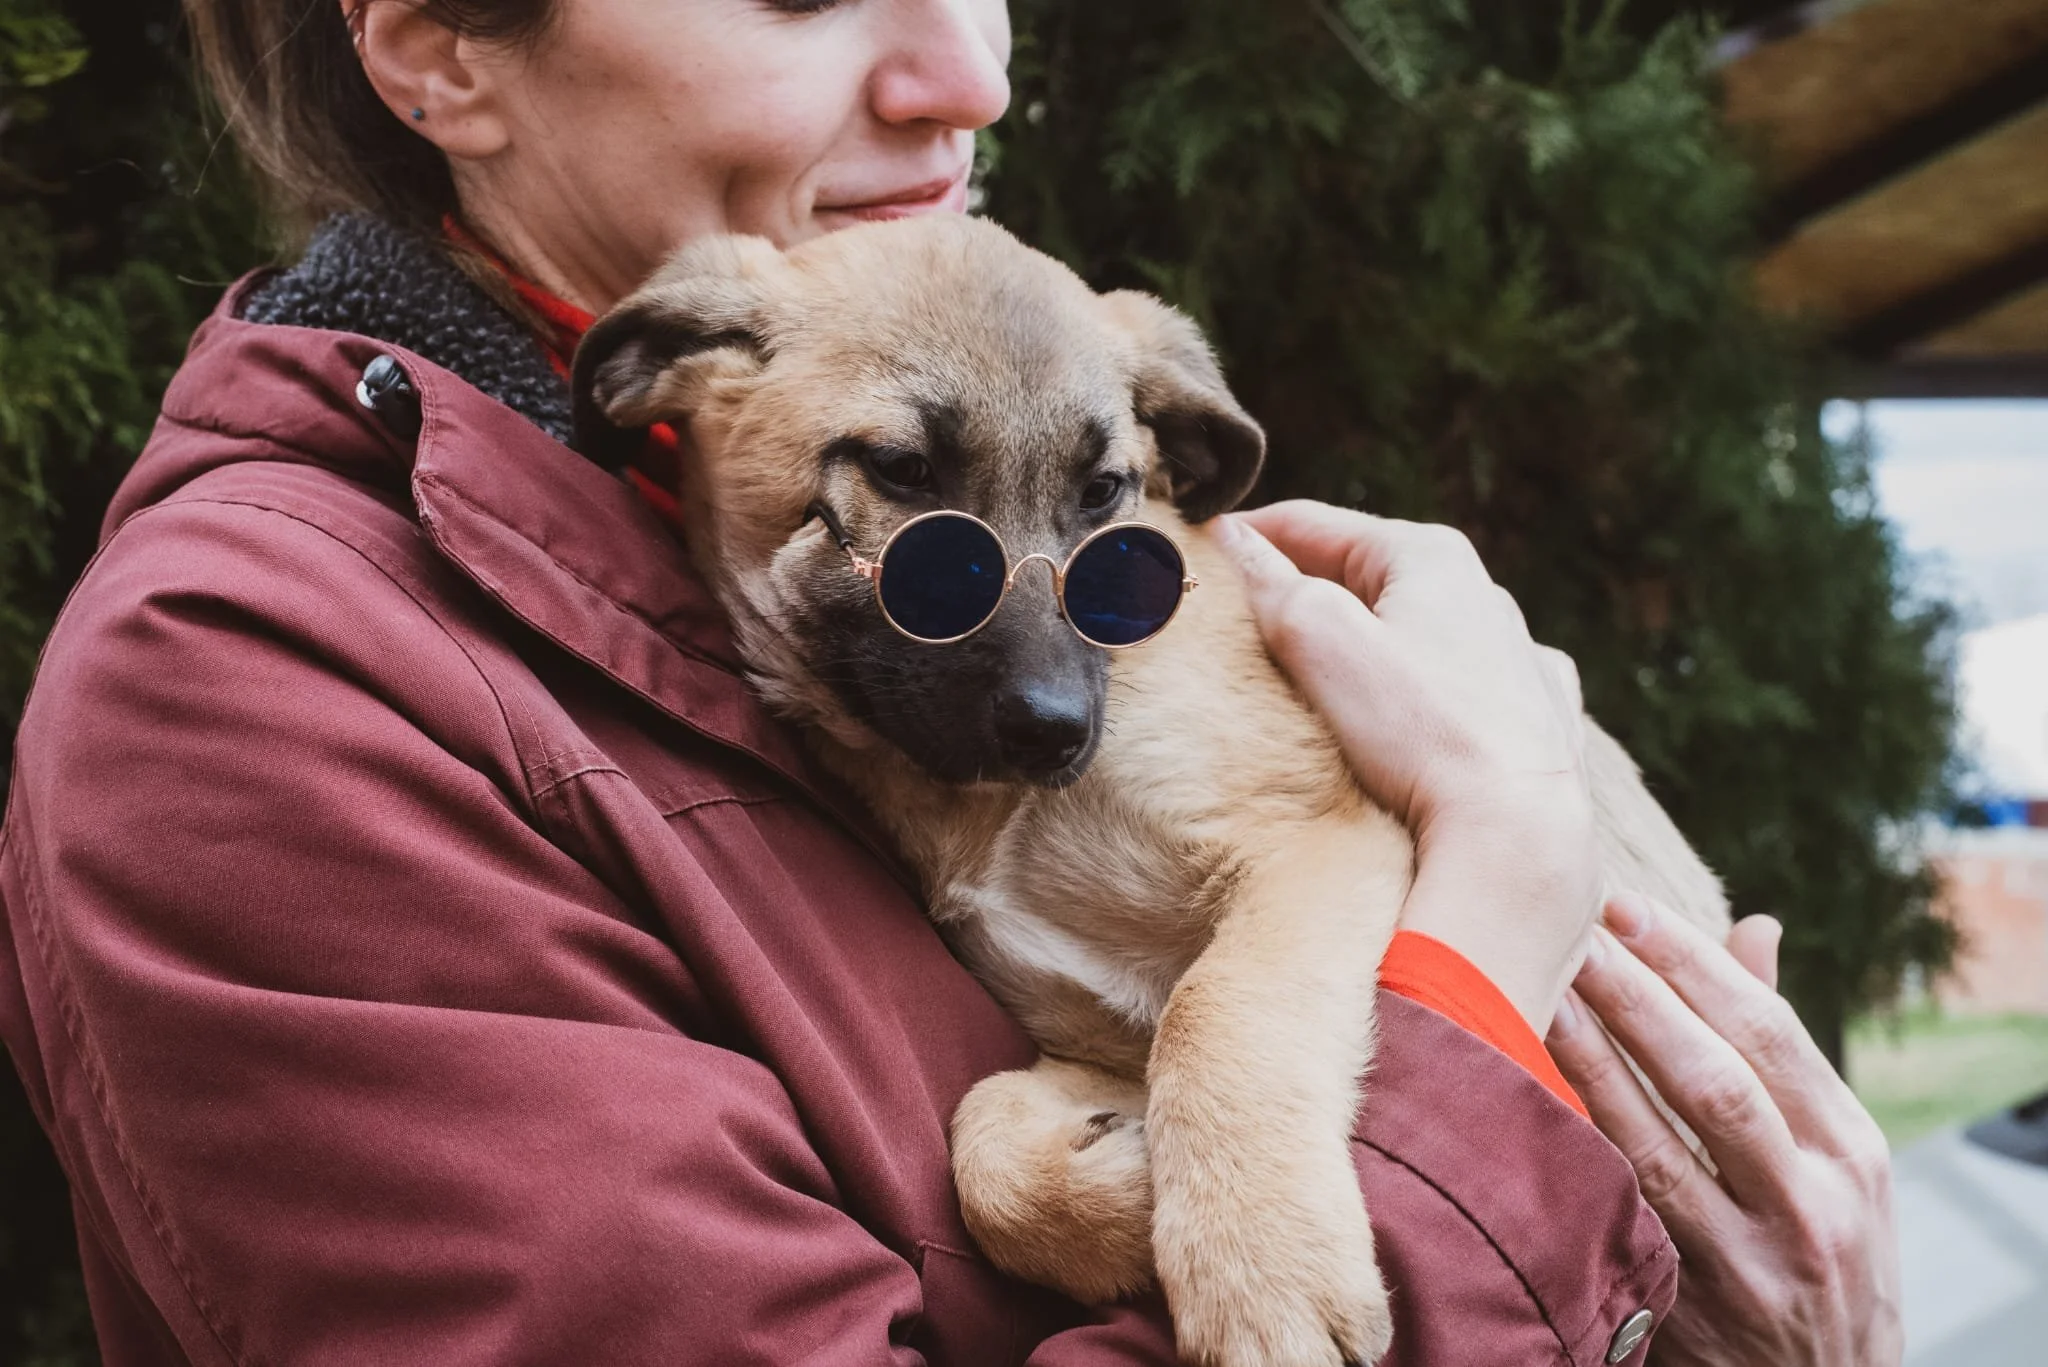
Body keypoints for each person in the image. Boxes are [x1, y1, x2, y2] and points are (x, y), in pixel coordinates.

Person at [0, 1, 1898, 1363]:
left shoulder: (747, 555)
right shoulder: (254, 698)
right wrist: (1482, 952)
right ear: (433, 47)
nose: (974, 67)